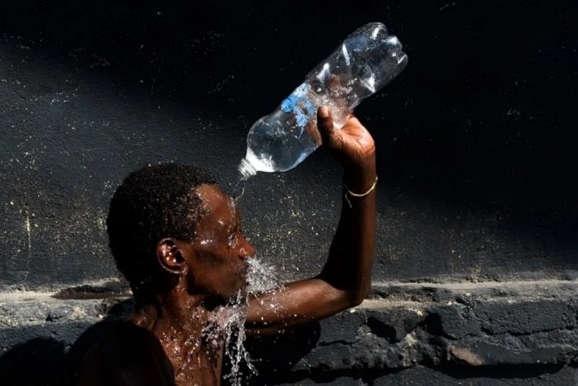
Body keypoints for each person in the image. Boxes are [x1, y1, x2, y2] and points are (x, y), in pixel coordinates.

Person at [78, 106, 377, 385]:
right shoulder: (126, 365)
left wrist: (361, 165)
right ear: (174, 256)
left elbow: (342, 288)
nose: (248, 250)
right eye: (231, 236)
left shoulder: (212, 323)